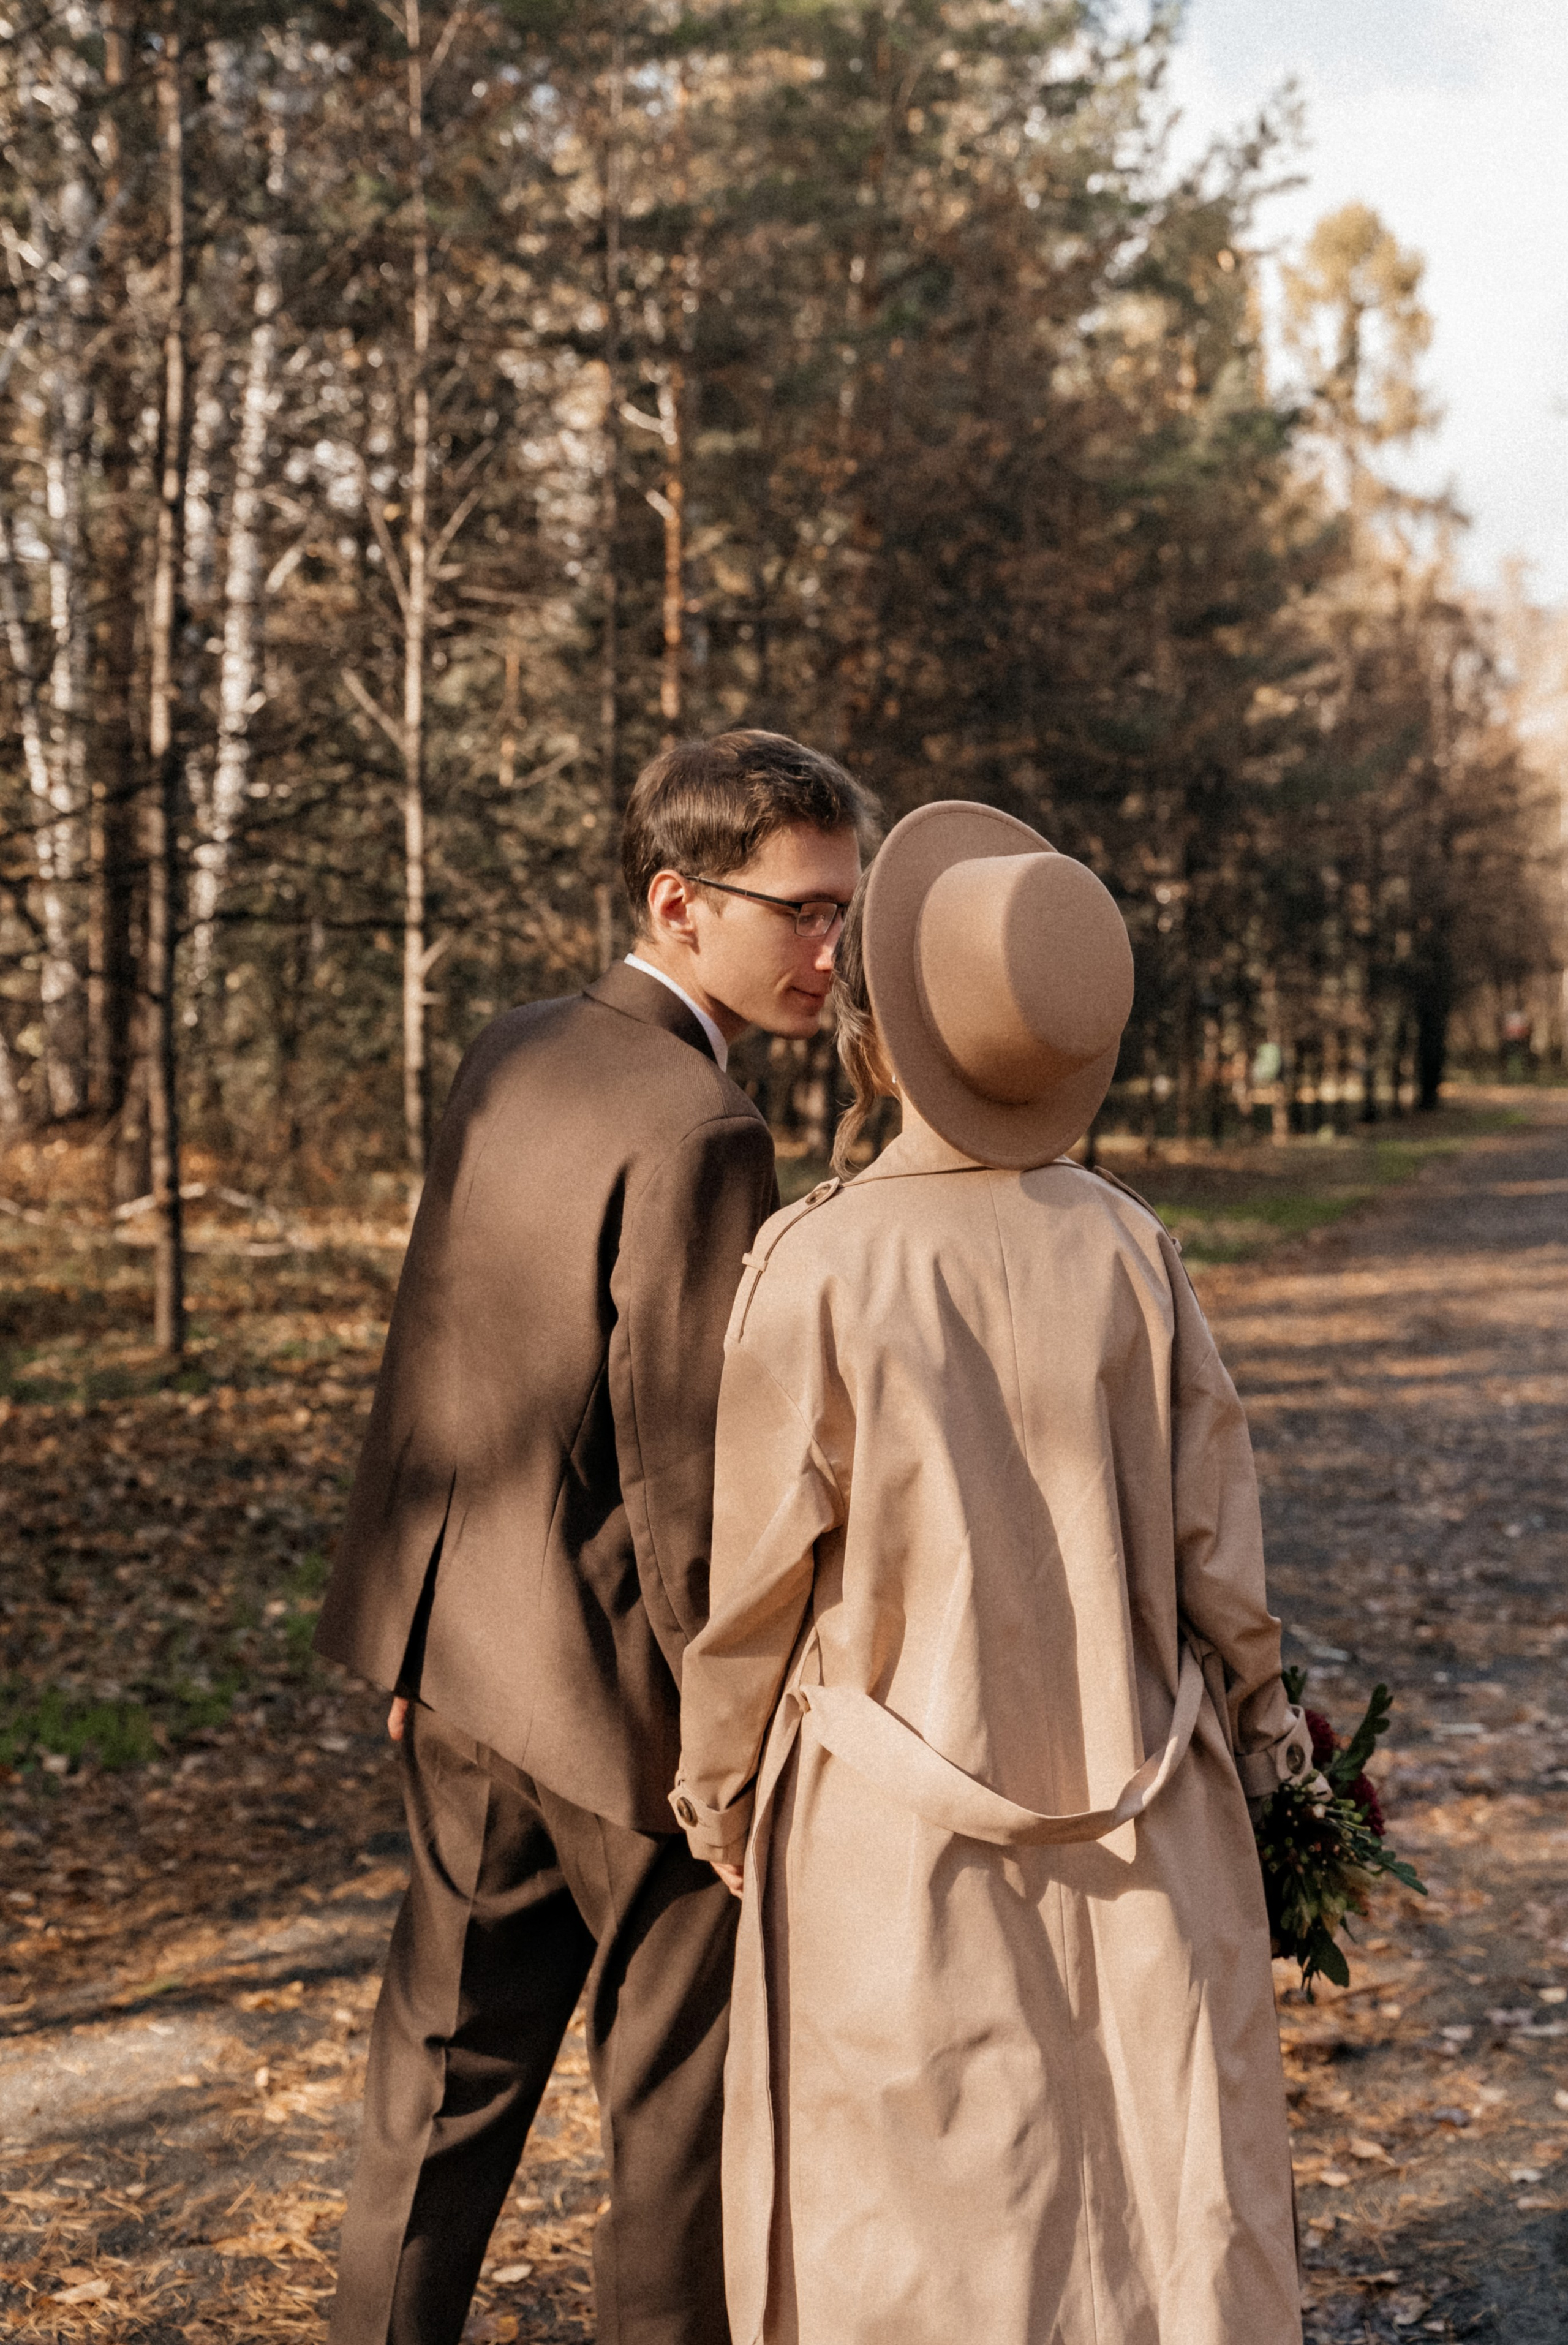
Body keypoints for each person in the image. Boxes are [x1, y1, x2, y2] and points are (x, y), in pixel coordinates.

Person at [671, 800, 1311, 2345]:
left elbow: (753, 1591)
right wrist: (1269, 1732)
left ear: (881, 1037)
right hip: (1141, 1800)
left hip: (890, 1831)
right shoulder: (1128, 1248)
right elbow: (1218, 1556)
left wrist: (714, 1790)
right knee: (1149, 2209)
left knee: (912, 2227)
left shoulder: (815, 1261)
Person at [315, 731, 876, 2345]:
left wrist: (411, 1637)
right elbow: (687, 1478)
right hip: (627, 1715)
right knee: (679, 2128)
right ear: (680, 903)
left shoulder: (514, 1047)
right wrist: (733, 1743)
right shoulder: (705, 1127)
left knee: (436, 2088)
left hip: (467, 1665)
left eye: (848, 914)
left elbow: (430, 1355)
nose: (834, 953)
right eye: (806, 914)